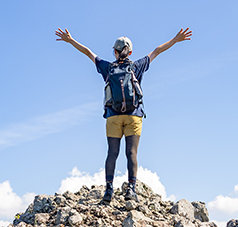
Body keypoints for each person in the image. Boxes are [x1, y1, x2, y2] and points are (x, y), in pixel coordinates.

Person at [55, 27, 192, 203]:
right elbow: (157, 51)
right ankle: (131, 190)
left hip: (113, 116)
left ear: (115, 51)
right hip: (134, 115)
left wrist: (70, 40)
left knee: (112, 153)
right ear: (130, 52)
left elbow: (89, 53)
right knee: (131, 153)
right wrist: (175, 39)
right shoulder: (137, 66)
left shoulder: (107, 67)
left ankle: (109, 191)